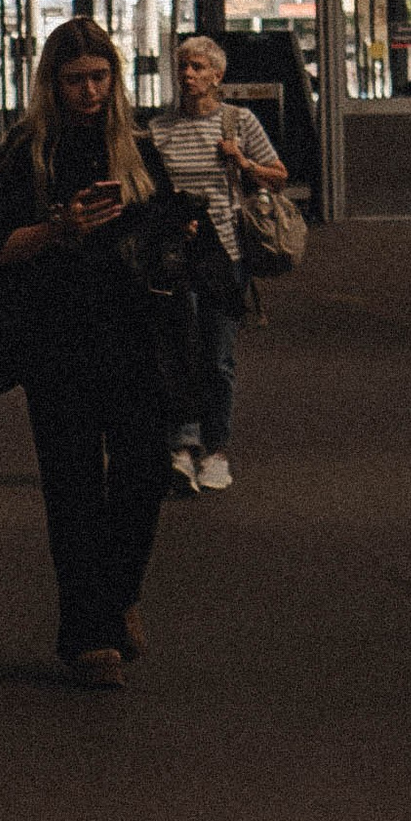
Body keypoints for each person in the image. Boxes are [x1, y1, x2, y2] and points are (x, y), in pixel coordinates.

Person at [0, 16, 182, 690]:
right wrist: (59, 227)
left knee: (145, 470)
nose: (88, 91)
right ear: (52, 84)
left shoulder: (138, 148)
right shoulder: (31, 153)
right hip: (57, 340)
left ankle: (117, 593)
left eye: (98, 78)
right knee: (74, 488)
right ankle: (89, 636)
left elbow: (167, 227)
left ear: (114, 78)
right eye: (74, 79)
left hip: (135, 335)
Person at [149, 36, 285, 493]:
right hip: (176, 255)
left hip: (225, 254)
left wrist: (242, 161)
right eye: (183, 66)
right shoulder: (160, 129)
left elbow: (278, 174)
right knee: (177, 353)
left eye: (198, 67)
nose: (188, 75)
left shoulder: (237, 121)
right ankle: (184, 445)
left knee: (217, 357)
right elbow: (153, 190)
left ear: (217, 76)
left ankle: (218, 449)